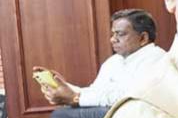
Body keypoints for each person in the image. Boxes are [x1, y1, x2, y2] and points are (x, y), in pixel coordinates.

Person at [34, 9, 165, 107]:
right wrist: (63, 86)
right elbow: (95, 92)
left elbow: (128, 97)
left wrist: (75, 98)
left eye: (120, 34)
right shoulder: (114, 61)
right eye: (113, 34)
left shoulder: (157, 59)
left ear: (143, 38)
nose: (112, 39)